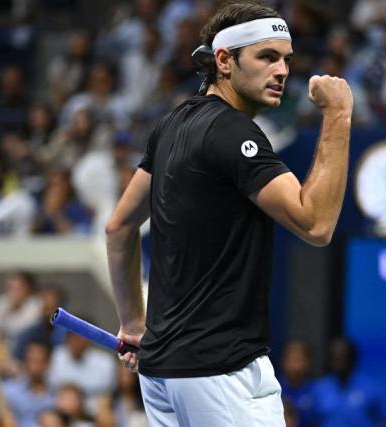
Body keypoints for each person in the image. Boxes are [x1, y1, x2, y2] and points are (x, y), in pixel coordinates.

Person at [104, 1, 352, 426]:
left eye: (286, 60)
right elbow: (316, 222)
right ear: (224, 60)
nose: (282, 71)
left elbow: (119, 228)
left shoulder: (172, 124)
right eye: (267, 57)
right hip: (217, 373)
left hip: (163, 372)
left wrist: (133, 326)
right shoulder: (232, 132)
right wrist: (338, 114)